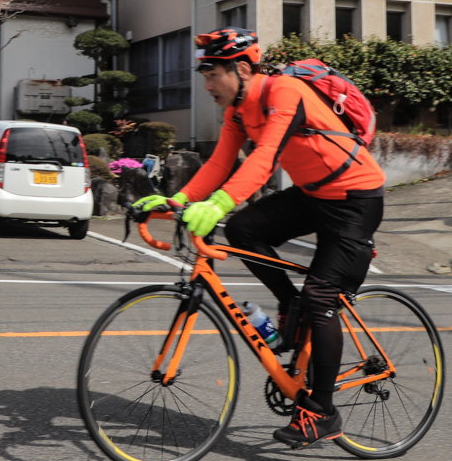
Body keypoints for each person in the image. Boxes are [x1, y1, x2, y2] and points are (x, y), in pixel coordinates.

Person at [134, 27, 385, 450]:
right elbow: (218, 164)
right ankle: (290, 305)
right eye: (204, 76)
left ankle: (323, 413)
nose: (208, 84)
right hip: (313, 194)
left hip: (355, 199)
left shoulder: (284, 92)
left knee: (322, 298)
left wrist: (216, 205)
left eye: (214, 74)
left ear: (244, 68)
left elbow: (265, 161)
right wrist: (175, 200)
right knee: (243, 228)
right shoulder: (237, 111)